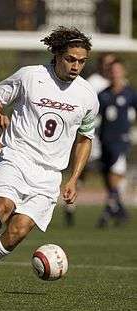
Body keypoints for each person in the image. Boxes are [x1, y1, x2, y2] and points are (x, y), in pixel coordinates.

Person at [0, 26, 99, 294]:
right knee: (1, 206)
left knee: (17, 232)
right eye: (70, 59)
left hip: (49, 173)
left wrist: (74, 179)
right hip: (17, 156)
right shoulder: (30, 76)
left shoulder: (87, 95)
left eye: (82, 61)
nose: (76, 66)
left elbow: (85, 138)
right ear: (56, 55)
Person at [64, 53, 117, 226]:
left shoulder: (119, 84)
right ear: (101, 65)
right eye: (107, 64)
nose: (110, 68)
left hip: (110, 136)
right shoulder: (93, 83)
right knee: (82, 172)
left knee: (111, 173)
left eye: (112, 64)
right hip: (92, 134)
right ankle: (70, 207)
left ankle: (111, 210)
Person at [96, 59, 137, 228]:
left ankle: (109, 210)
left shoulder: (130, 93)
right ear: (108, 74)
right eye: (112, 71)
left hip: (122, 141)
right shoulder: (103, 94)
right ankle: (118, 209)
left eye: (118, 71)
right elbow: (94, 116)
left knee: (115, 173)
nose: (115, 74)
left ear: (123, 72)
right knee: (108, 177)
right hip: (105, 140)